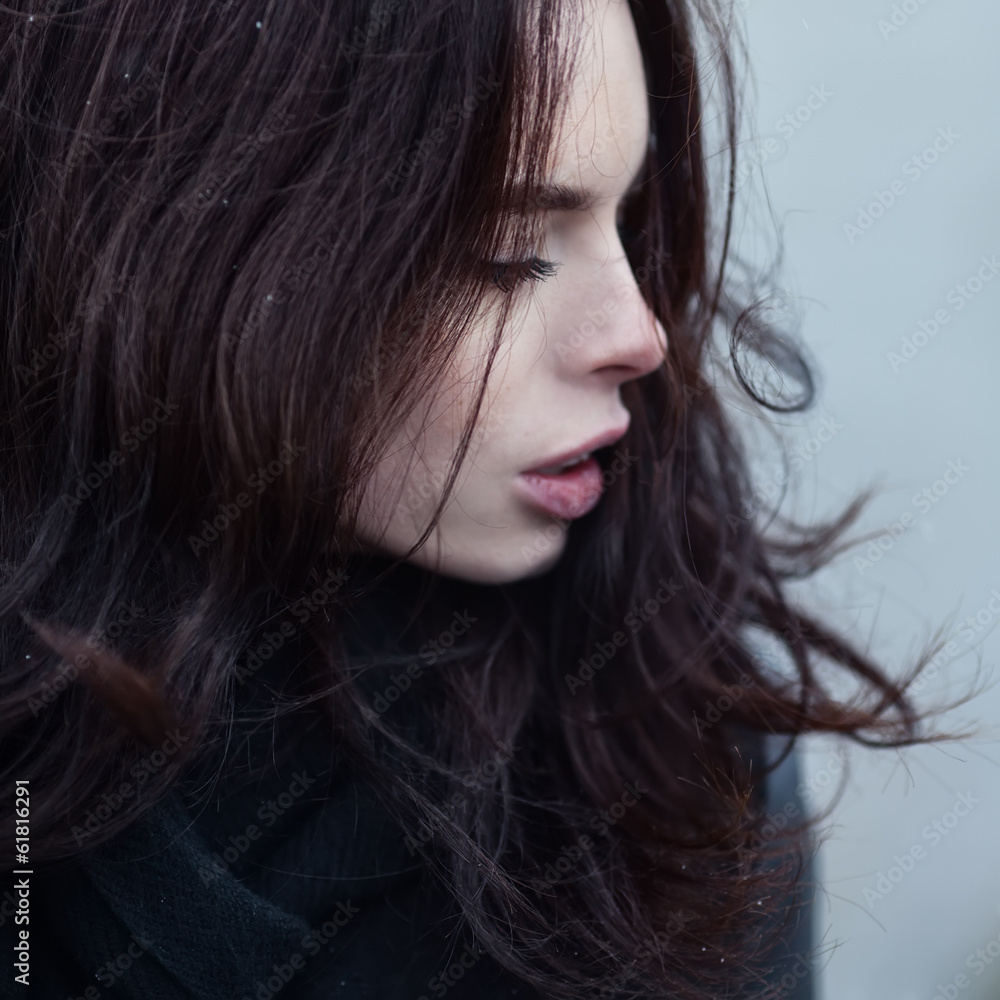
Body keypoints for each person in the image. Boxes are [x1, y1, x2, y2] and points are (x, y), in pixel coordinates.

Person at [0, 1, 960, 998]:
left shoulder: (671, 750)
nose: (637, 332)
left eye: (626, 220)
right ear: (186, 246)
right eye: (511, 251)